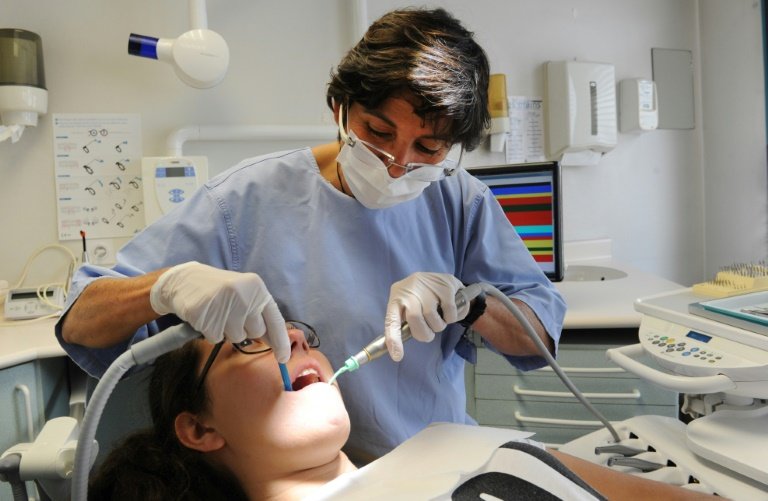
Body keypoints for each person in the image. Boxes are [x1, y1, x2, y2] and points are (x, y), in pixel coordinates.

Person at [57, 7, 567, 461]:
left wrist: (469, 304)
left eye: (429, 149)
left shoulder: (460, 200)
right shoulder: (243, 202)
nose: (397, 165)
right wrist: (164, 286)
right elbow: (82, 322)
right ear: (339, 108)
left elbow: (539, 334)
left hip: (437, 461)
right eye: (378, 132)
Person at [88, 323, 721, 501]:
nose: (295, 338)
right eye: (250, 342)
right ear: (200, 429)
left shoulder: (455, 446)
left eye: (297, 330)